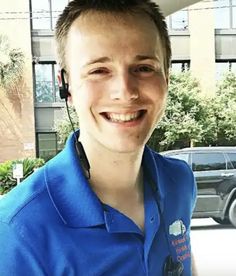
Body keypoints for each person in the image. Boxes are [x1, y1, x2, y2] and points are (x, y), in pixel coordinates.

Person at [0, 0, 197, 275]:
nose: (125, 92)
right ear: (65, 86)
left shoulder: (180, 182)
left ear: (167, 77)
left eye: (144, 67)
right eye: (99, 70)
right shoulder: (17, 228)